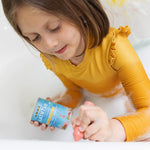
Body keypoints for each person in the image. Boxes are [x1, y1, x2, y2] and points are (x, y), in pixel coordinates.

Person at [1, 0, 150, 142]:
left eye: (54, 27)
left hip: (125, 96)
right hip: (98, 100)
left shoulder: (115, 48)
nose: (49, 44)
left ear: (79, 9)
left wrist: (112, 129)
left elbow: (147, 110)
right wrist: (59, 108)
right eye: (35, 37)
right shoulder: (54, 57)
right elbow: (75, 90)